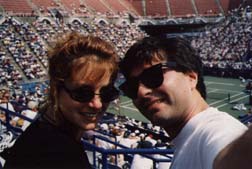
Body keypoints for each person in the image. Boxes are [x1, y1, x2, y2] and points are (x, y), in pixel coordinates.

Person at [119, 36, 247, 169]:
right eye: (132, 87)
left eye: (153, 76)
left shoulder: (219, 132)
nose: (141, 92)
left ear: (191, 77)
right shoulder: (188, 141)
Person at [3, 32, 119, 169]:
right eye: (82, 93)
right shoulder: (55, 154)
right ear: (56, 88)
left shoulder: (47, 135)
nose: (97, 104)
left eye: (107, 92)